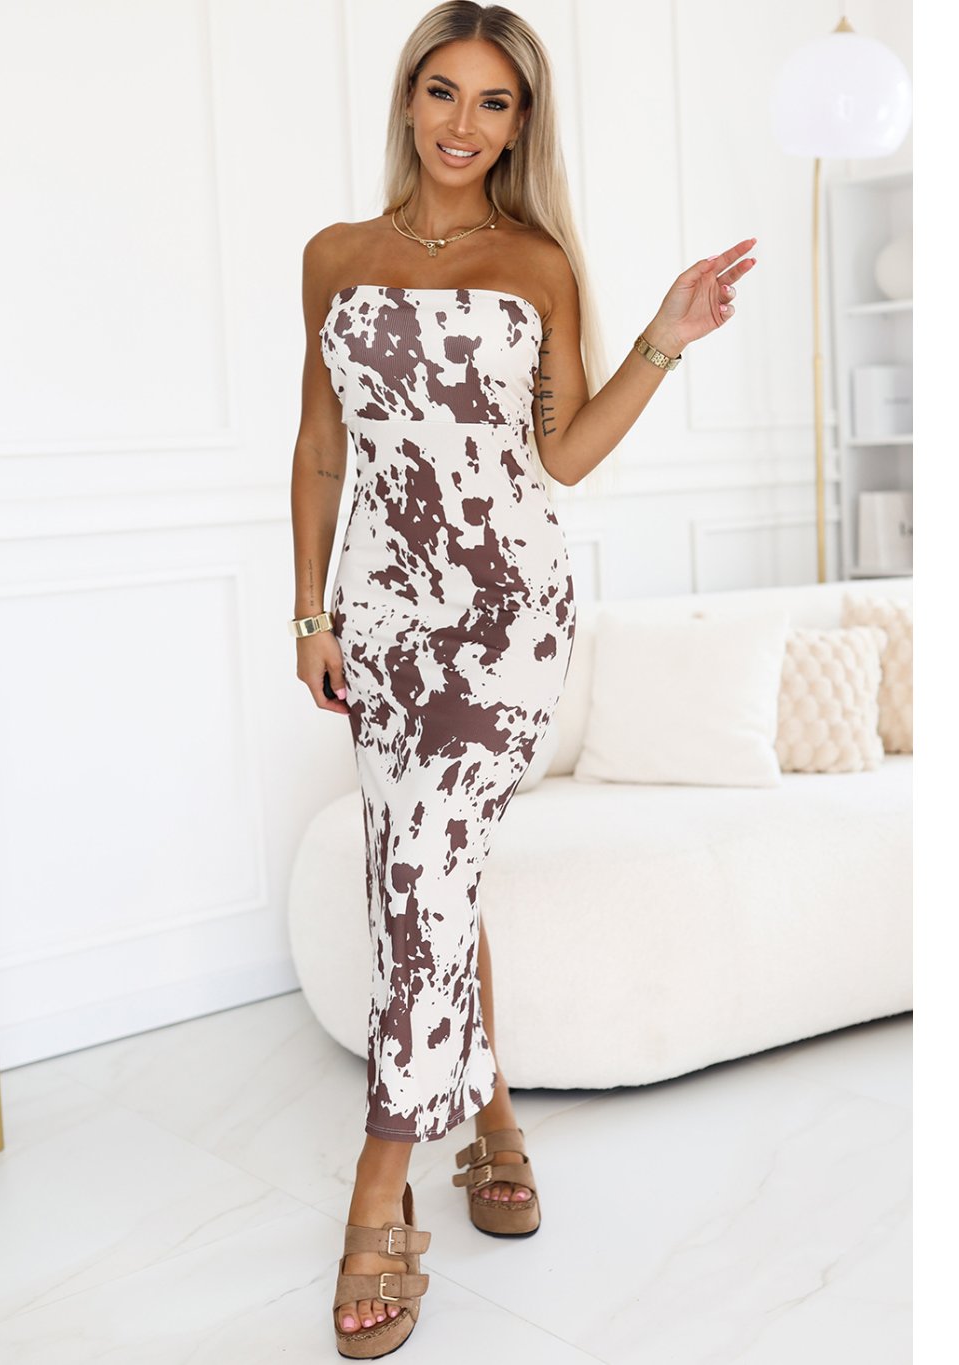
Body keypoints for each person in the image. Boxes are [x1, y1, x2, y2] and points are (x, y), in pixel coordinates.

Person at [289, 2, 757, 1355]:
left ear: (520, 124)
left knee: (423, 873)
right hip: (381, 617)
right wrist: (310, 609)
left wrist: (665, 336)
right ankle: (491, 1119)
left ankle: (380, 1185)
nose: (463, 124)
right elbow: (320, 445)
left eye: (493, 103)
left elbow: (562, 457)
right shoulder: (334, 256)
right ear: (409, 98)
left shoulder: (537, 263)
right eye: (444, 92)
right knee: (424, 870)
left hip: (504, 620)